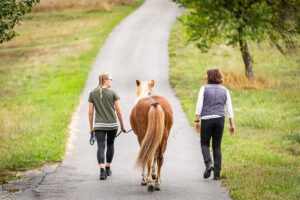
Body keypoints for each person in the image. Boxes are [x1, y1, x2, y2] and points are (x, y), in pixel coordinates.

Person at [194, 68, 235, 180]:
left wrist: (197, 121)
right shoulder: (225, 90)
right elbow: (229, 108)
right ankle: (217, 175)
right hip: (220, 119)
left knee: (205, 144)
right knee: (217, 146)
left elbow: (199, 105)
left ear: (209, 77)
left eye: (207, 75)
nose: (206, 77)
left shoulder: (204, 89)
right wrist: (232, 124)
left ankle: (208, 164)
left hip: (207, 119)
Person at [88, 72, 126, 180]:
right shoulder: (113, 93)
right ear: (105, 80)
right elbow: (119, 111)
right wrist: (122, 126)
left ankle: (102, 170)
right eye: (110, 79)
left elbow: (90, 113)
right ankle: (108, 167)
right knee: (110, 144)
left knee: (100, 146)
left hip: (99, 125)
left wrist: (91, 128)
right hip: (112, 125)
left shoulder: (93, 93)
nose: (111, 81)